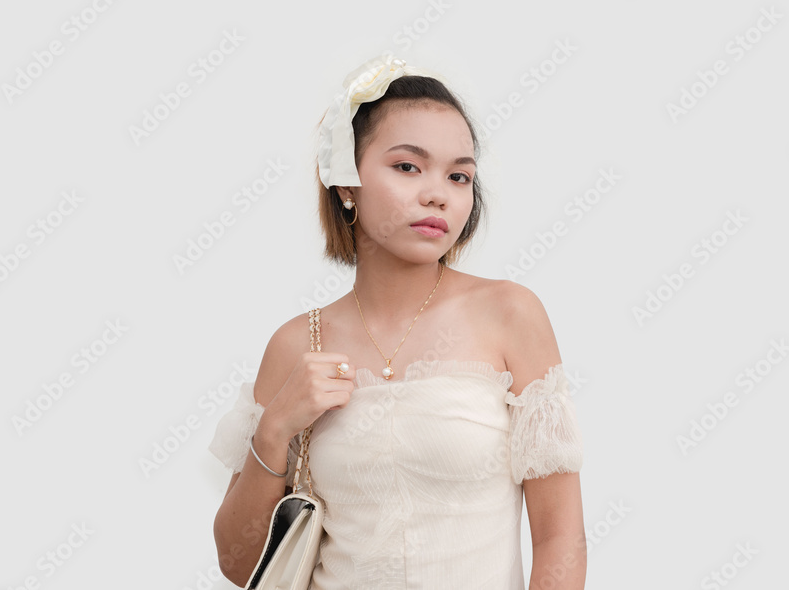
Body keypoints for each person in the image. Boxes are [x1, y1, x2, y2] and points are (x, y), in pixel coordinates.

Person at [209, 55, 587, 589]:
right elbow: (239, 564)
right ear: (345, 183)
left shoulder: (509, 314)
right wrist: (275, 430)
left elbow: (560, 538)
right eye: (407, 166)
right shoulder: (295, 345)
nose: (437, 192)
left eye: (459, 175)